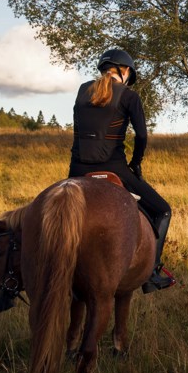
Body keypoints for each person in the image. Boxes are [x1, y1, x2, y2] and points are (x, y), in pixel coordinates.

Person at [68, 49, 175, 293]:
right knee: (163, 211)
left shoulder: (83, 90)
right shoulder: (129, 96)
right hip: (114, 166)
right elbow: (142, 135)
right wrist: (136, 163)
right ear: (125, 71)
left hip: (76, 170)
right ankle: (151, 273)